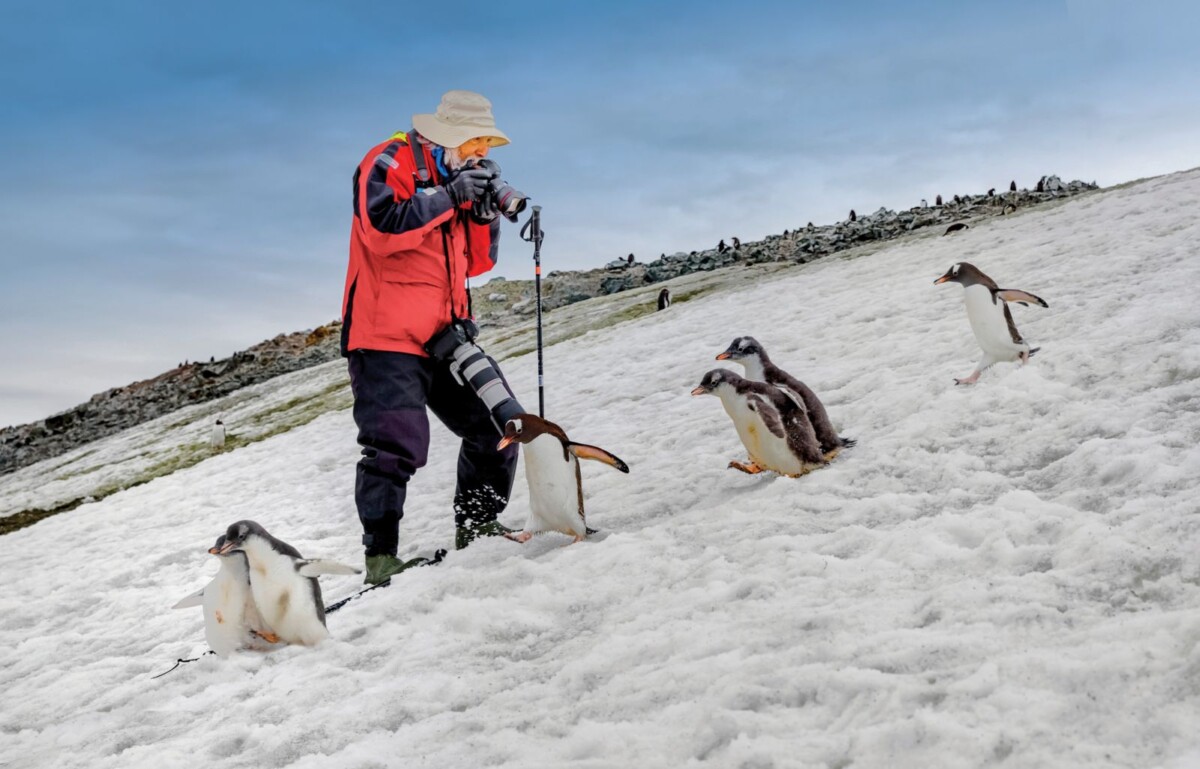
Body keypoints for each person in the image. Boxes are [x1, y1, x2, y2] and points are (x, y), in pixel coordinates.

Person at [340, 90, 522, 584]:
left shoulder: (457, 177)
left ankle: (478, 527)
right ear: (452, 136)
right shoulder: (389, 159)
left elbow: (479, 263)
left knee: (498, 424)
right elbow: (381, 228)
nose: (484, 151)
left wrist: (482, 214)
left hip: (445, 335)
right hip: (385, 337)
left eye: (488, 143)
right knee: (395, 446)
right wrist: (449, 197)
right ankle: (381, 560)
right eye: (479, 140)